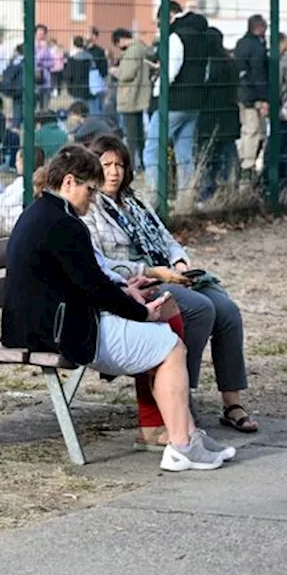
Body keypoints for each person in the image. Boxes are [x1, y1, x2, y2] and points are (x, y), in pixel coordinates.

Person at [1, 145, 225, 471]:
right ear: (68, 183)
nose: (93, 199)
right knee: (171, 346)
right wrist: (141, 312)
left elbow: (91, 281)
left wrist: (125, 290)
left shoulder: (42, 213)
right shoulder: (65, 224)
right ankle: (181, 445)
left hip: (45, 325)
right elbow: (94, 287)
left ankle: (187, 436)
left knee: (164, 339)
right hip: (61, 333)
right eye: (90, 190)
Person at [81, 134, 258, 435]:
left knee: (226, 310)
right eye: (106, 164)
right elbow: (103, 263)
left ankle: (232, 402)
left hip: (167, 273)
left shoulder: (135, 203)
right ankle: (178, 398)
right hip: (137, 282)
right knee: (200, 309)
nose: (114, 172)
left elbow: (166, 239)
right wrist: (156, 272)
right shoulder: (90, 207)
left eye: (120, 164)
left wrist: (179, 263)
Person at [145, 4, 208, 202]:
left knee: (152, 150)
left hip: (172, 103)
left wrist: (156, 96)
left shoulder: (175, 37)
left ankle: (154, 197)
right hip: (194, 102)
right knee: (185, 154)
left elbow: (169, 73)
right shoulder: (202, 35)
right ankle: (187, 198)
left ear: (170, 16)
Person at [196, 25, 241, 202]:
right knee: (228, 155)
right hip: (229, 116)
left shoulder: (207, 65)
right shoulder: (230, 62)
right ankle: (230, 191)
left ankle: (207, 195)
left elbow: (203, 91)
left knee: (207, 157)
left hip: (209, 118)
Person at [234, 14, 269, 179]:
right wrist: (263, 98)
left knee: (246, 131)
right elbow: (258, 73)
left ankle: (242, 164)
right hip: (253, 96)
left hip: (241, 93)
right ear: (259, 28)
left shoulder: (240, 43)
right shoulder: (257, 47)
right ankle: (247, 167)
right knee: (254, 131)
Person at [112, 28, 151, 170]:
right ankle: (141, 163)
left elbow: (126, 74)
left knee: (131, 136)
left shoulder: (131, 51)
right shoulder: (141, 48)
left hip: (129, 97)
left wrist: (116, 72)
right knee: (139, 134)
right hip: (139, 96)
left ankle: (132, 166)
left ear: (121, 40)